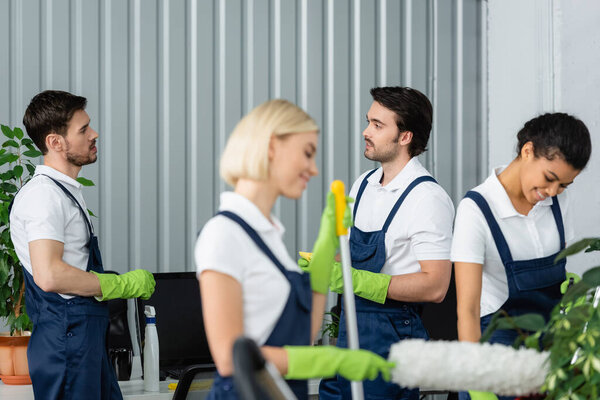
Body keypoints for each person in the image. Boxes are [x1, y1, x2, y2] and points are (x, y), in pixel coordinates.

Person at [195, 99, 394, 400]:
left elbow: (305, 333)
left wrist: (326, 244)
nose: (313, 170)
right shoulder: (224, 234)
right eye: (307, 153)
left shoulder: (270, 238)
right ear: (272, 146)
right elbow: (228, 357)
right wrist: (332, 360)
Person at [10, 90, 156, 400]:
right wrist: (121, 285)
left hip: (82, 341)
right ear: (55, 142)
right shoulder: (43, 197)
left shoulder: (62, 193)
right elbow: (49, 275)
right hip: (67, 343)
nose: (94, 134)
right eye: (83, 130)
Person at [316, 87, 455, 400]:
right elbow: (349, 258)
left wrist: (365, 282)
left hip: (393, 334)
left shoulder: (428, 199)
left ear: (405, 137)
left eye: (378, 126)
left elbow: (436, 287)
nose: (366, 132)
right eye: (369, 122)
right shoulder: (362, 186)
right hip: (349, 326)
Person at [452, 113, 592, 400]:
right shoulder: (477, 209)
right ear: (527, 151)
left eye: (564, 185)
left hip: (551, 346)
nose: (553, 191)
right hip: (496, 351)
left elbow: (558, 267)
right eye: (549, 178)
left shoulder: (557, 201)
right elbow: (467, 310)